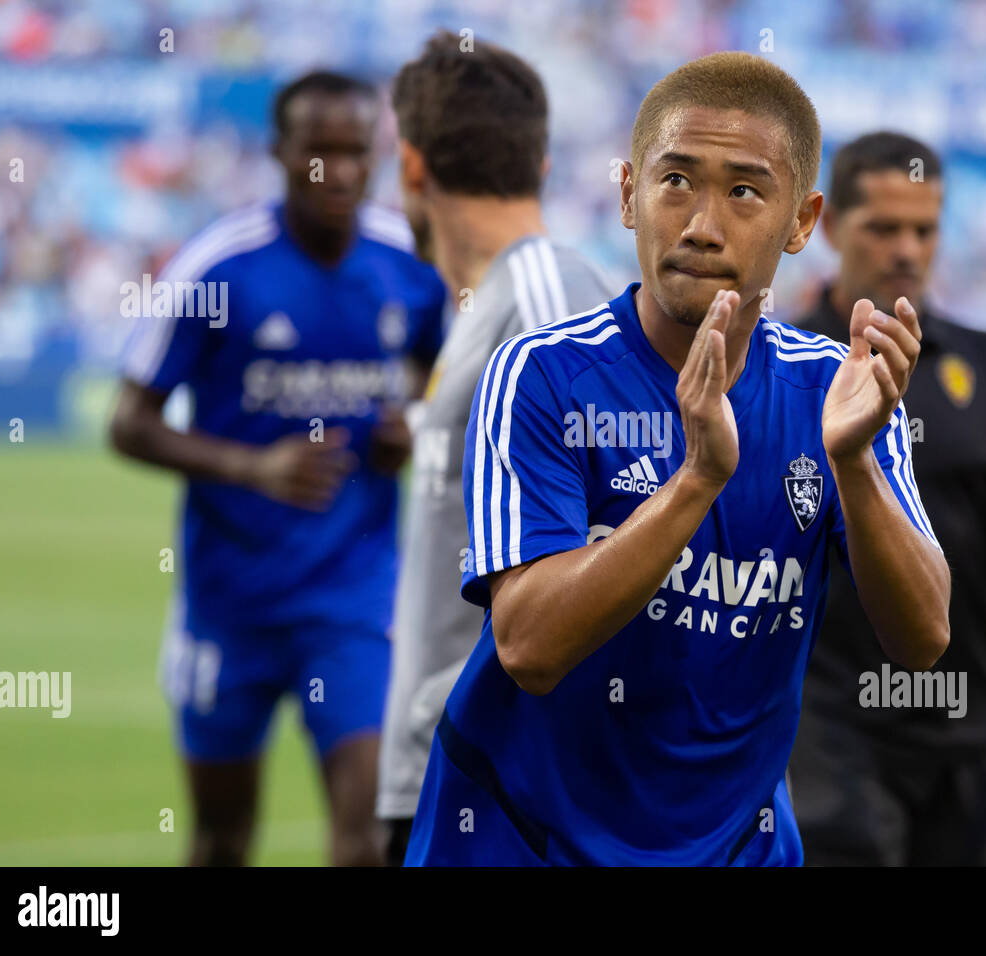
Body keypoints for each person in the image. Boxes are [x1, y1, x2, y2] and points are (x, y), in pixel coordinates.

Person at [403, 52, 950, 866]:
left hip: (737, 849)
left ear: (803, 222)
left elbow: (924, 640)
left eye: (743, 191)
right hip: (521, 840)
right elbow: (529, 649)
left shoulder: (832, 394)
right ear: (628, 194)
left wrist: (857, 465)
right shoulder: (544, 374)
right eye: (675, 181)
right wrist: (697, 481)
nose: (700, 223)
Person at [108, 70, 446, 866]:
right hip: (231, 603)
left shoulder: (409, 266)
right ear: (279, 154)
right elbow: (129, 423)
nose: (338, 173)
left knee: (366, 837)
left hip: (354, 600)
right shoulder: (219, 269)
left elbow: (454, 382)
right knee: (222, 838)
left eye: (354, 152)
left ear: (378, 157)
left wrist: (419, 427)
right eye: (316, 153)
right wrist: (252, 466)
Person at [786, 131, 986, 866]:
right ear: (827, 226)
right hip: (828, 726)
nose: (907, 249)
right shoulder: (784, 363)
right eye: (883, 228)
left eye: (925, 228)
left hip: (965, 720)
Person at [375, 31, 616, 865]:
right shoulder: (490, 305)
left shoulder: (546, 301)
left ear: (412, 167)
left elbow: (603, 542)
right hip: (450, 765)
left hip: (505, 779)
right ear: (542, 162)